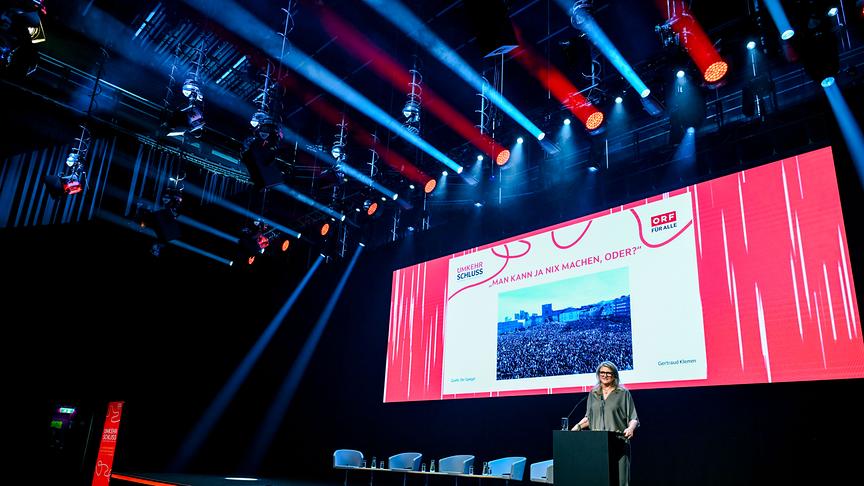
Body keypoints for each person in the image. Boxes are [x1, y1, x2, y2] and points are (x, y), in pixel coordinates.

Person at [570, 361, 639, 486]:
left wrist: (631, 428)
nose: (605, 375)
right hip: (597, 444)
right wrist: (576, 428)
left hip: (618, 443)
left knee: (620, 481)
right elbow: (589, 418)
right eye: (602, 372)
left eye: (608, 373)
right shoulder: (594, 393)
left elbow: (634, 418)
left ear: (614, 375)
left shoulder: (623, 393)